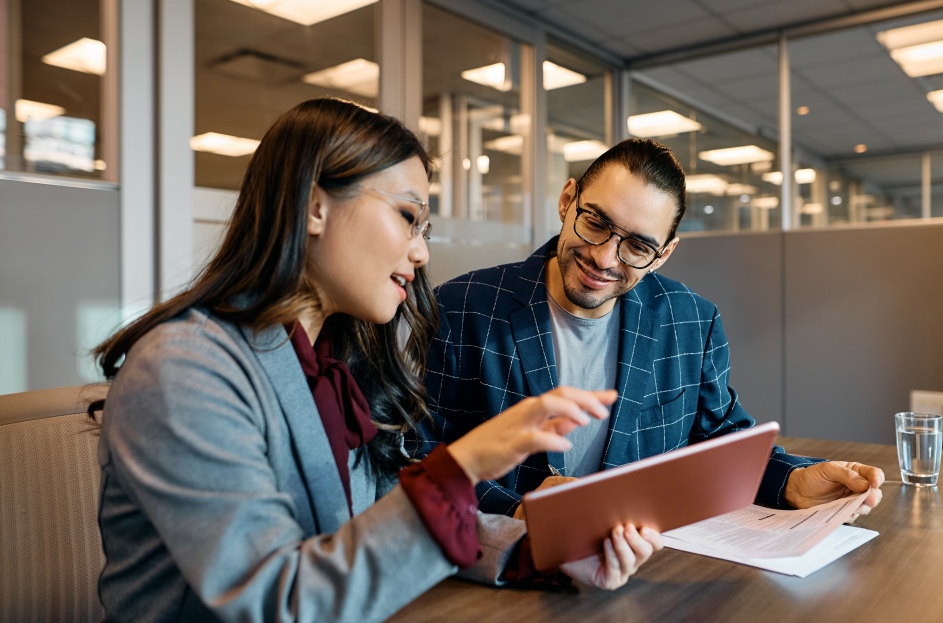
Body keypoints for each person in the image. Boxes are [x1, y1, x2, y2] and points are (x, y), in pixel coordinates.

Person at [89, 99, 661, 623]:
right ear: (315, 206)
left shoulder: (335, 359)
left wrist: (541, 555)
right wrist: (460, 468)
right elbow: (278, 603)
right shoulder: (183, 370)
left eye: (425, 227)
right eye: (407, 217)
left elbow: (382, 521)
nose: (421, 251)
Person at [418, 138, 885, 520]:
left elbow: (718, 439)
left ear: (663, 254)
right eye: (596, 222)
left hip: (643, 572)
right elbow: (418, 455)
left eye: (638, 246)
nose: (604, 258)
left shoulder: (691, 322)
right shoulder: (462, 308)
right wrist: (519, 512)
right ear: (567, 201)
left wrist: (790, 479)